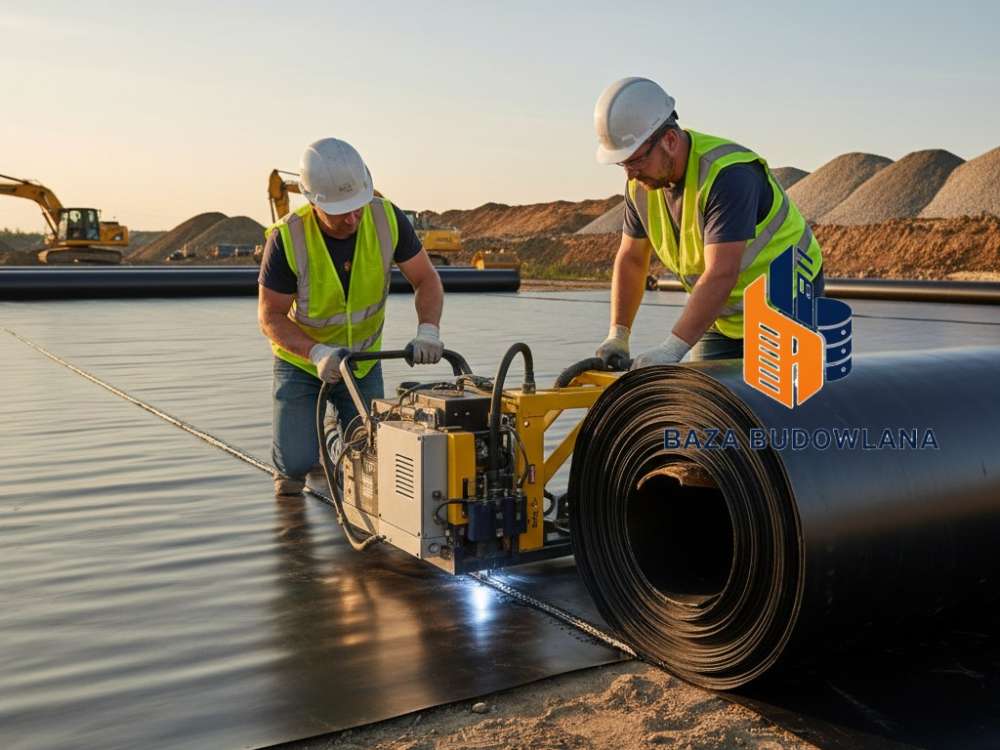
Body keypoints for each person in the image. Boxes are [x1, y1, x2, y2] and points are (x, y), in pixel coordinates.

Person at [591, 77, 824, 367]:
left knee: (776, 404)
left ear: (670, 141)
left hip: (785, 302)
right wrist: (619, 334)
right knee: (706, 404)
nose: (630, 174)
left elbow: (721, 273)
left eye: (636, 160)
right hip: (722, 313)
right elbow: (632, 259)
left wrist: (671, 349)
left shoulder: (728, 175)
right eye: (623, 163)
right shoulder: (641, 188)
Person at [258, 137, 445, 498]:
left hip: (360, 361)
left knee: (369, 457)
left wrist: (428, 330)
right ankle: (308, 442)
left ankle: (336, 436)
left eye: (358, 205)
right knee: (295, 468)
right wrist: (315, 353)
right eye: (341, 210)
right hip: (302, 362)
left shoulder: (387, 217)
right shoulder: (287, 238)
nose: (353, 216)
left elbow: (427, 279)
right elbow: (270, 316)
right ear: (313, 202)